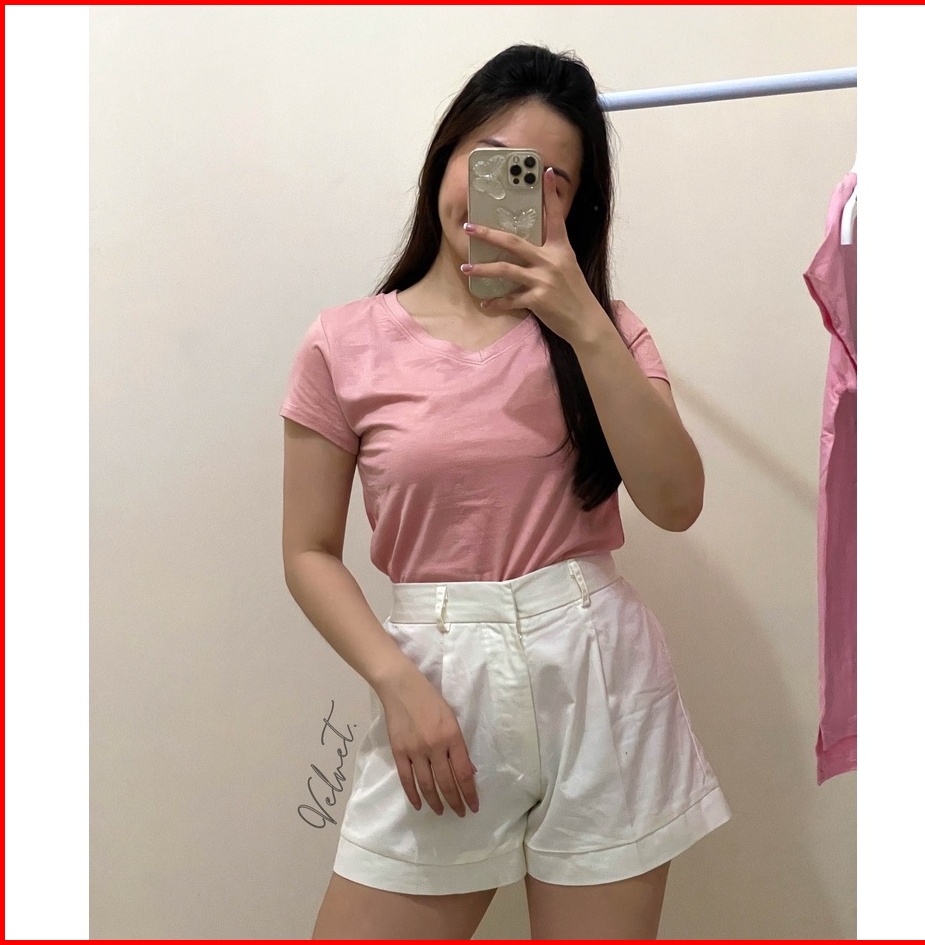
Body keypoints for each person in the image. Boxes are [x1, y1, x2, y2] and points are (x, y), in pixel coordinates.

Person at [281, 44, 731, 941]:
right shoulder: (343, 342)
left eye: (548, 180)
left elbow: (675, 501)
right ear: (445, 158)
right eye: (491, 160)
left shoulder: (607, 331)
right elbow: (307, 550)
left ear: (574, 205)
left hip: (600, 676)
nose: (513, 192)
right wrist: (395, 681)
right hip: (434, 680)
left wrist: (581, 319)